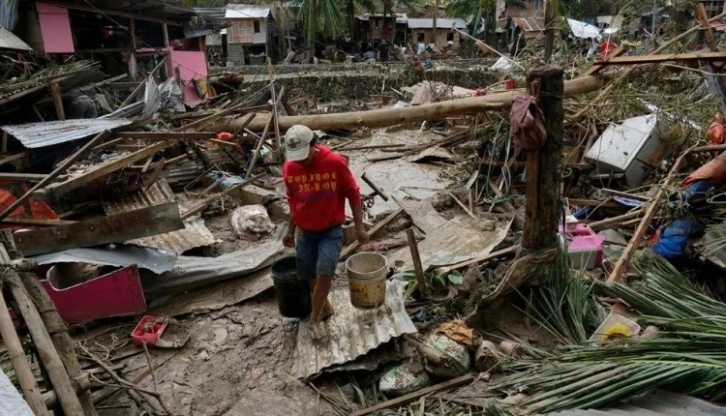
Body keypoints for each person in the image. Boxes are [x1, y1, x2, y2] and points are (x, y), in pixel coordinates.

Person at [282, 125, 369, 339]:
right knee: (308, 272)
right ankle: (326, 307)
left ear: (314, 145)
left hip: (330, 231)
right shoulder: (290, 168)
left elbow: (354, 194)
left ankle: (314, 318)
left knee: (325, 270)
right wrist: (290, 231)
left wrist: (359, 226)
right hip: (306, 232)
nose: (300, 161)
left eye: (303, 155)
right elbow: (293, 201)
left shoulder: (334, 163)